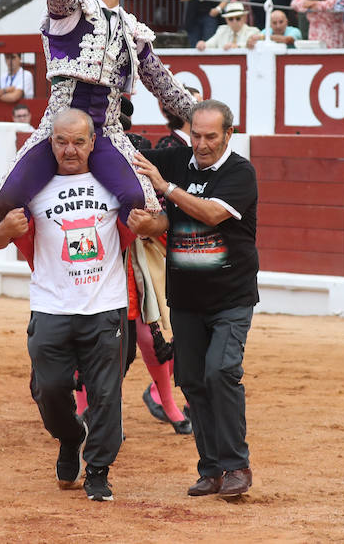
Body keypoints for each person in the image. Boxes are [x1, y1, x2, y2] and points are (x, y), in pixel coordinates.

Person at [0, 108, 166, 501]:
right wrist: (4, 230)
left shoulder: (116, 185)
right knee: (48, 390)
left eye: (78, 141)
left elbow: (159, 221)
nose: (69, 150)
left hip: (105, 305)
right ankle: (70, 438)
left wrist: (147, 226)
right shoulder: (33, 189)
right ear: (50, 142)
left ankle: (99, 471)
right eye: (61, 141)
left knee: (105, 395)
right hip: (51, 305)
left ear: (92, 142)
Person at [0, 0, 195, 225]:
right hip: (58, 127)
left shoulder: (133, 29)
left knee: (139, 201)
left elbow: (162, 83)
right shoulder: (73, 7)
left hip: (106, 129)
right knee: (7, 200)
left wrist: (200, 116)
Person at [131, 99, 258, 499]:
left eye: (210, 137)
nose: (201, 145)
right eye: (196, 135)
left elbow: (209, 214)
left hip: (230, 297)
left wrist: (165, 188)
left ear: (229, 135)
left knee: (220, 371)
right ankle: (212, 470)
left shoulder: (240, 172)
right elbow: (126, 158)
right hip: (184, 297)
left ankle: (237, 465)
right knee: (193, 381)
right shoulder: (178, 159)